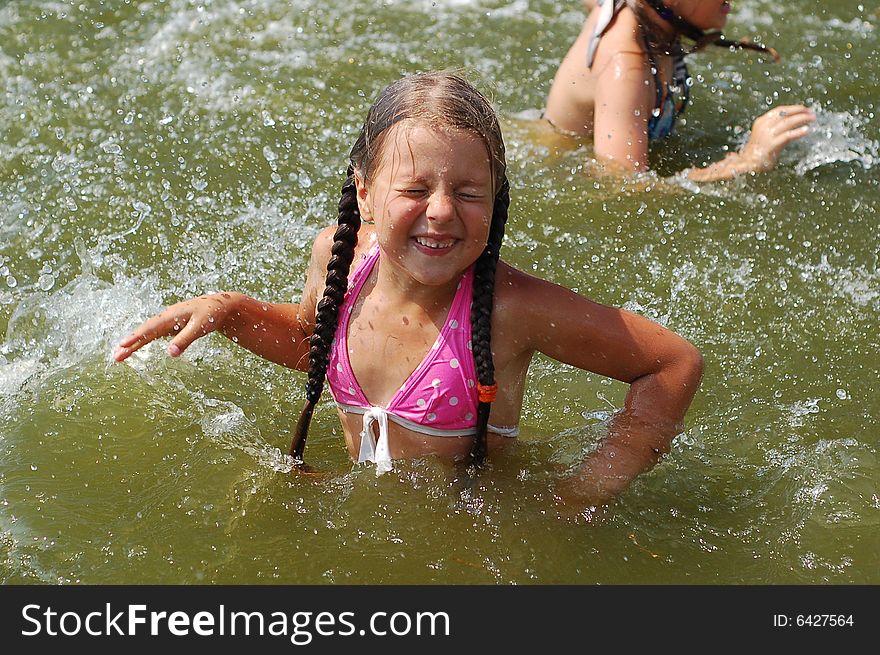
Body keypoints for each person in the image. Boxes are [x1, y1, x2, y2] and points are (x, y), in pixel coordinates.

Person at [113, 72, 703, 509]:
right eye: (415, 189)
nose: (442, 212)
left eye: (470, 193)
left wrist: (576, 497)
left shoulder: (508, 308)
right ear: (365, 192)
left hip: (472, 533)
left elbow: (673, 364)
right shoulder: (340, 258)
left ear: (495, 201)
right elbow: (312, 344)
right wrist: (231, 311)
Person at [544, 0, 816, 181]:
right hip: (557, 164)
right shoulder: (625, 67)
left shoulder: (644, 13)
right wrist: (746, 161)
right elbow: (623, 185)